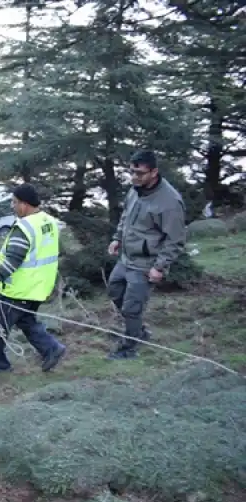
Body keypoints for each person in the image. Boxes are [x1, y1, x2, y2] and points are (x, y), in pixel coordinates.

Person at [0, 183, 67, 374]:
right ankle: (51, 349)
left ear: (24, 204)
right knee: (26, 321)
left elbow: (11, 264)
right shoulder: (48, 221)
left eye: (14, 202)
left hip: (20, 289)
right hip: (39, 287)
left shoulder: (24, 228)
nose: (12, 206)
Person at [106, 150, 186, 360]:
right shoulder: (135, 190)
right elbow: (126, 216)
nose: (134, 177)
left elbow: (175, 240)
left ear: (154, 172)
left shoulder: (170, 202)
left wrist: (159, 267)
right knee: (115, 290)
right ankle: (138, 331)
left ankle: (129, 348)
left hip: (146, 263)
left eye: (139, 173)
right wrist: (117, 238)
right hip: (126, 258)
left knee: (132, 308)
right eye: (131, 172)